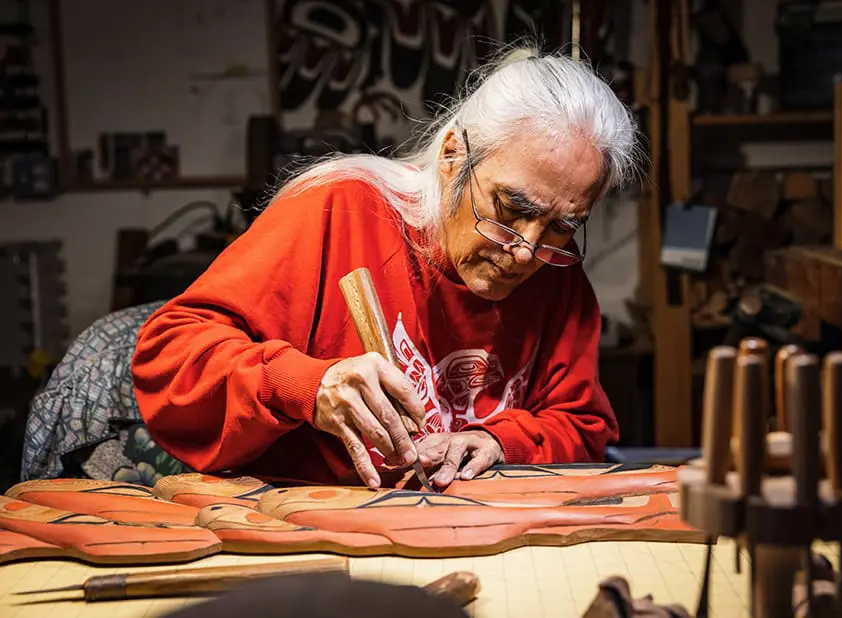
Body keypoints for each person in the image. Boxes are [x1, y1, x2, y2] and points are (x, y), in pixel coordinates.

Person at [131, 44, 643, 489]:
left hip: (470, 534)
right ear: (452, 157)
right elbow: (170, 357)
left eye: (563, 225)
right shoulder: (340, 211)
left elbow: (583, 425)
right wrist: (307, 385)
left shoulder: (553, 267)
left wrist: (499, 440)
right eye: (512, 209)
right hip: (314, 534)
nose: (527, 251)